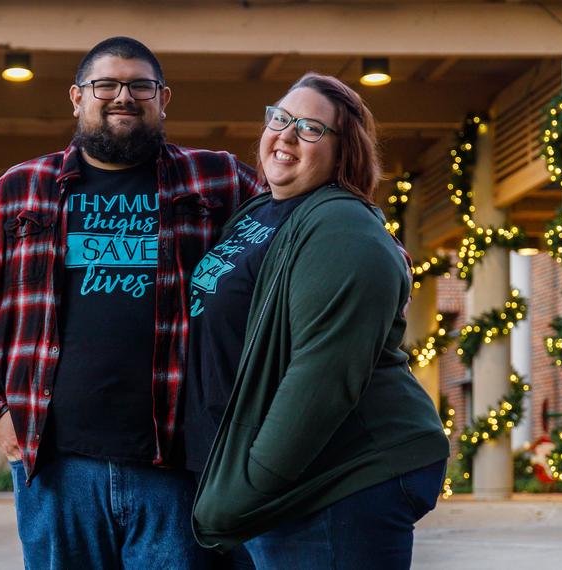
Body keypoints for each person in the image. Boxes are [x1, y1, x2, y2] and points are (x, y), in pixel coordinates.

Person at [0, 36, 262, 569]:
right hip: (57, 468)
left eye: (140, 85)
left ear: (164, 97)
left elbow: (298, 227)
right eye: (105, 85)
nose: (123, 97)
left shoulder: (218, 180)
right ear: (76, 96)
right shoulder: (20, 190)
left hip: (181, 468)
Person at [188, 73, 450, 569]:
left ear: (342, 151)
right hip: (283, 482)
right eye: (280, 118)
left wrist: (252, 484)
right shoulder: (259, 211)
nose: (286, 135)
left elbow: (321, 378)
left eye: (310, 128)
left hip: (339, 476)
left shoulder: (344, 229)